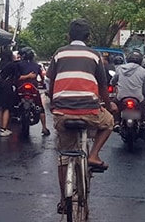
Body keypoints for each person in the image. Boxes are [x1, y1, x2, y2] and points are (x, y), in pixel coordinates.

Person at [47, 18, 116, 214]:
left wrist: (54, 103)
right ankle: (93, 155)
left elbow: (51, 82)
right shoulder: (95, 55)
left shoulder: (59, 53)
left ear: (69, 36)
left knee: (63, 158)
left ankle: (63, 200)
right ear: (88, 37)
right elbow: (103, 86)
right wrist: (109, 105)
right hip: (90, 111)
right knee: (109, 122)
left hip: (62, 113)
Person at [110, 51, 145, 132]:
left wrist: (113, 84)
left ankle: (117, 122)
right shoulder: (143, 71)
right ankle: (143, 121)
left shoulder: (120, 68)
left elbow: (113, 81)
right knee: (143, 106)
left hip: (121, 96)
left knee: (114, 105)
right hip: (138, 96)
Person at [16, 47, 51, 136]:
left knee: (12, 104)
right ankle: (44, 127)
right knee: (40, 107)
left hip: (20, 87)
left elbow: (15, 76)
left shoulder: (18, 64)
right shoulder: (36, 65)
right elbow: (42, 77)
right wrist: (42, 82)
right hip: (33, 88)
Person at [0, 48, 19, 137]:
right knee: (6, 108)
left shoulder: (0, 65)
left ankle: (1, 127)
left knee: (0, 107)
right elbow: (17, 76)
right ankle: (4, 129)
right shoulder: (12, 65)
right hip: (7, 88)